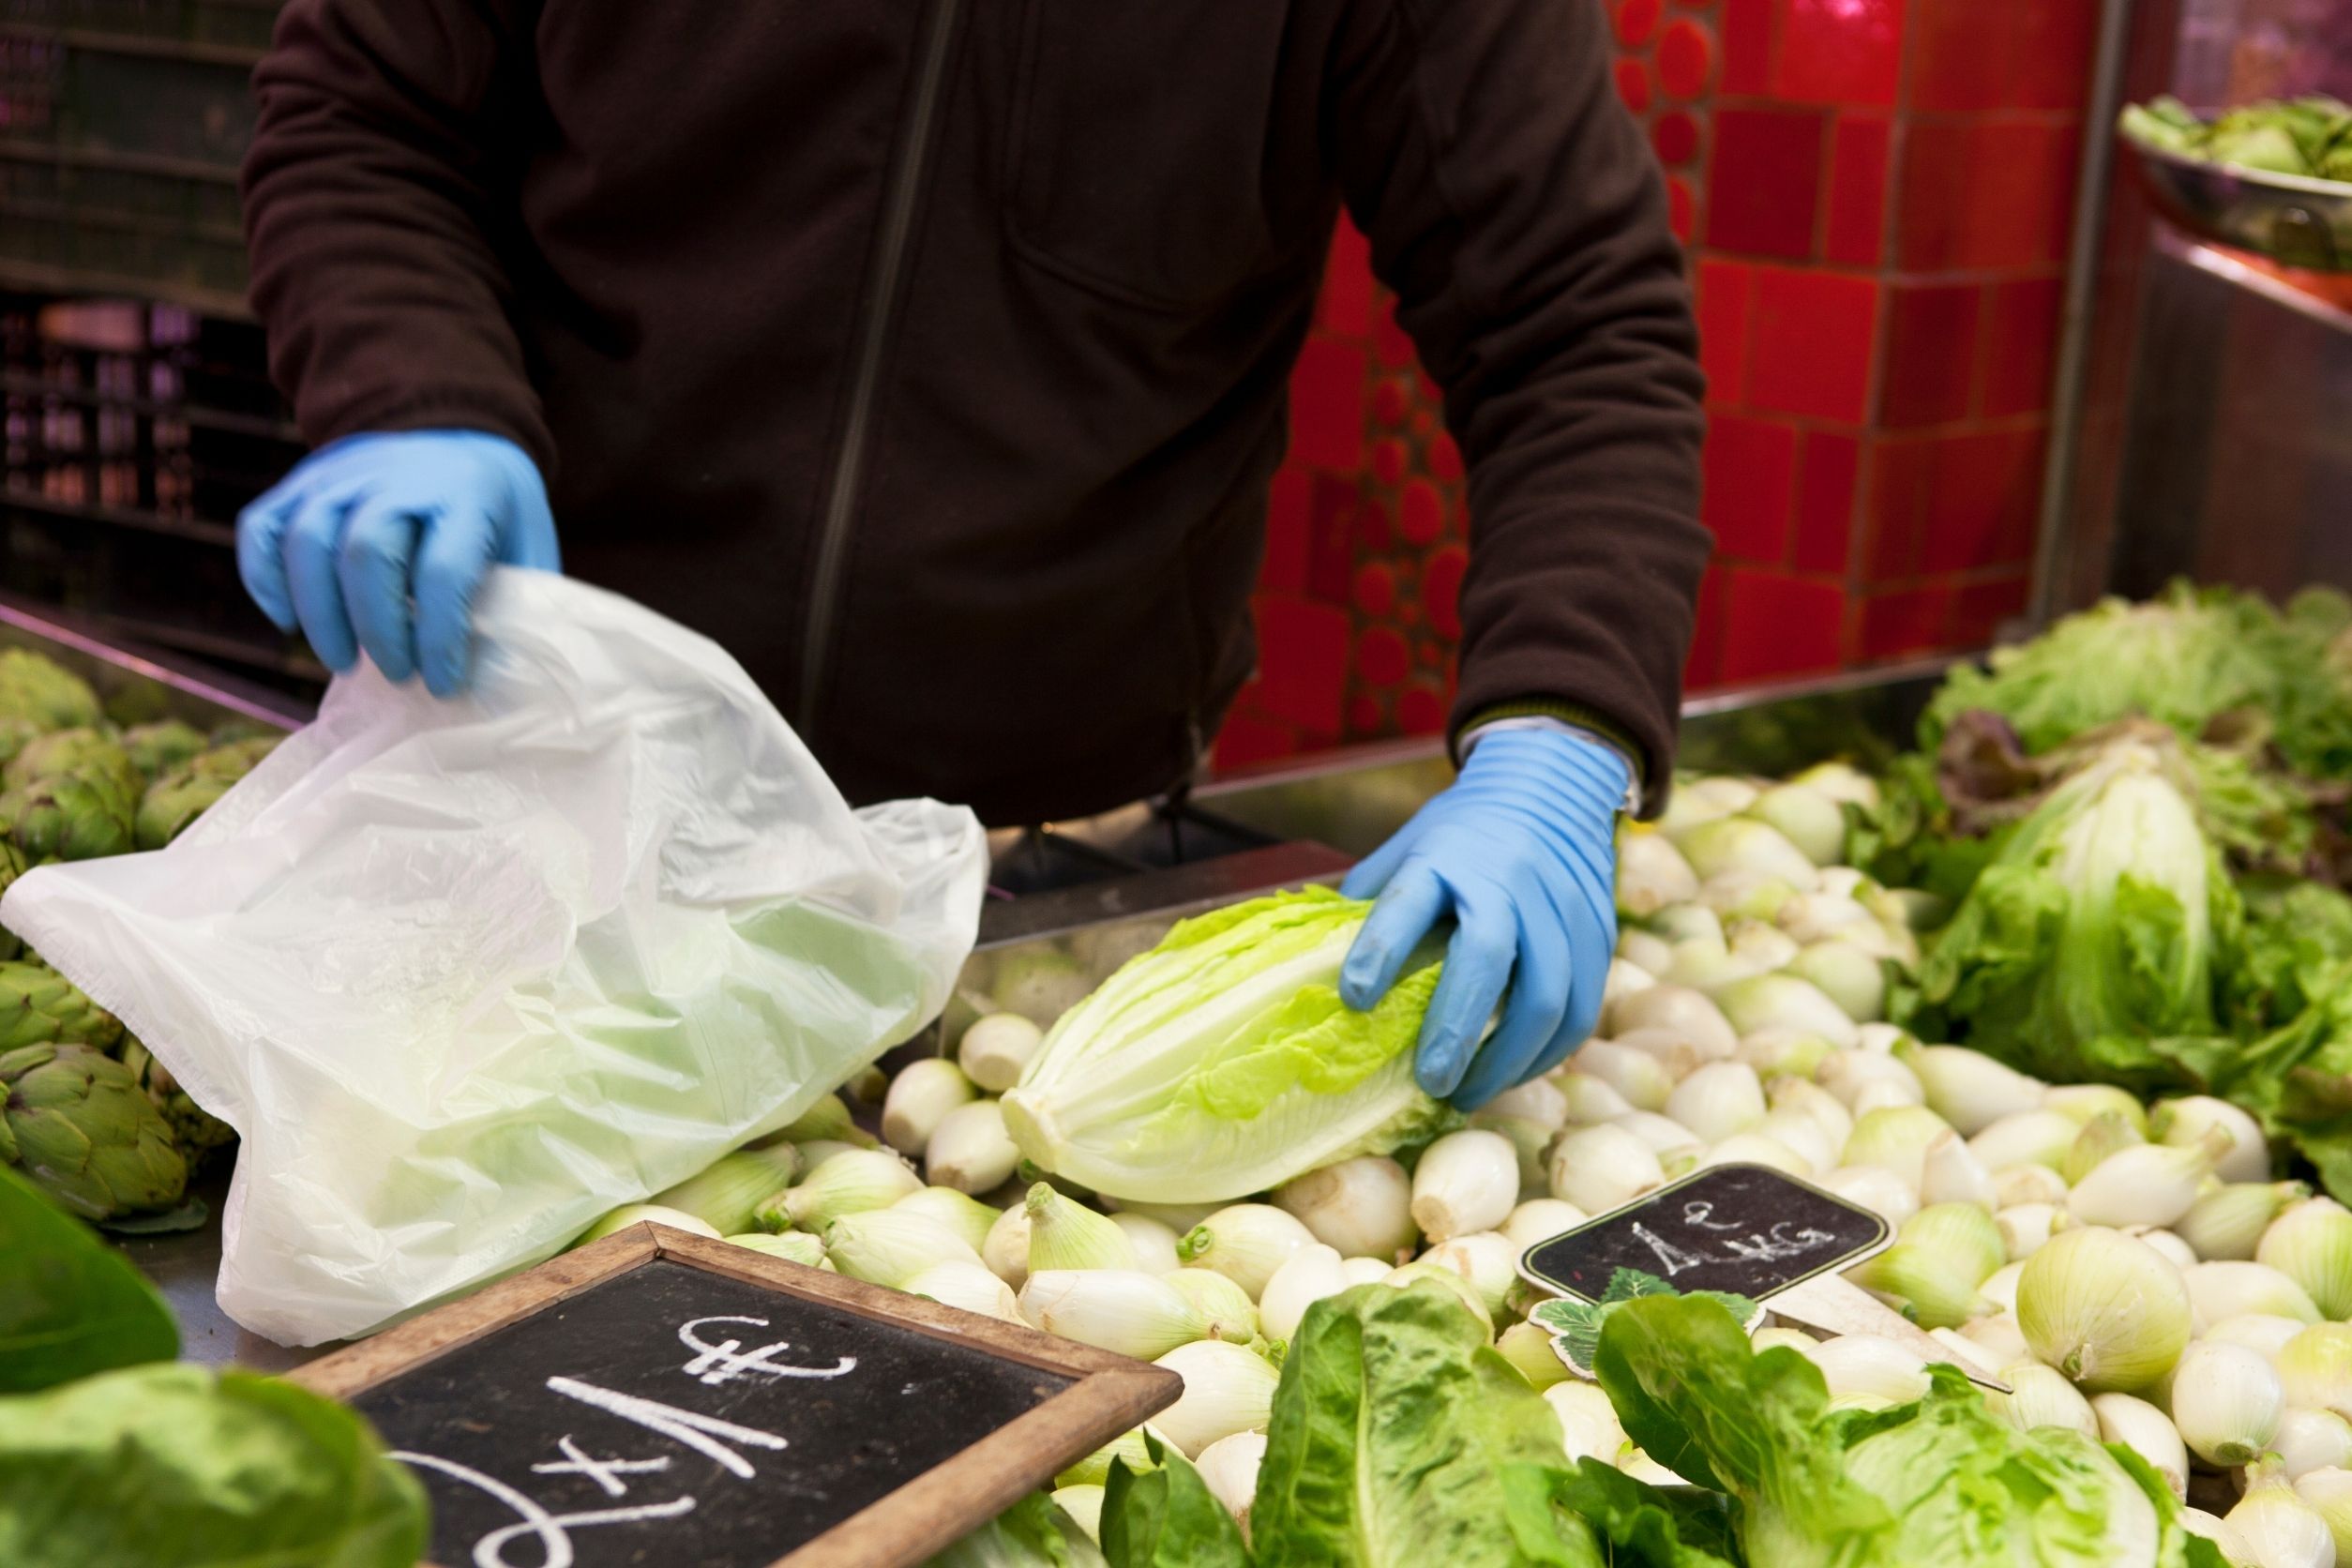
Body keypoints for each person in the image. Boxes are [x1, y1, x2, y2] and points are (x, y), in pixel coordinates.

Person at [234, 0, 1707, 1110]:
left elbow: (1579, 333)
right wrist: (410, 396)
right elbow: (363, 119)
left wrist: (1559, 735)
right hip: (542, 798)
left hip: (1051, 907)